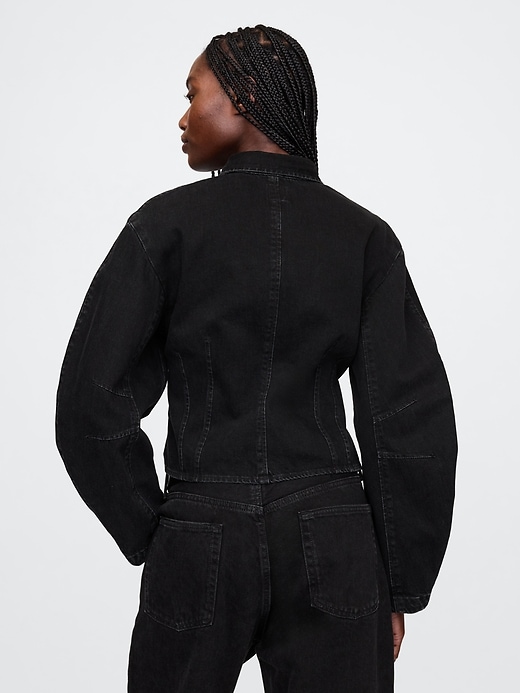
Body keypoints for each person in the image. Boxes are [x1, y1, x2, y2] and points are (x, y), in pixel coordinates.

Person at [55, 25, 457, 693]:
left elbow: (88, 408)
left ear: (242, 97)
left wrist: (158, 530)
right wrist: (400, 579)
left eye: (193, 95)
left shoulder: (164, 226)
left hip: (200, 526)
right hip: (332, 535)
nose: (183, 117)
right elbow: (410, 420)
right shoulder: (363, 237)